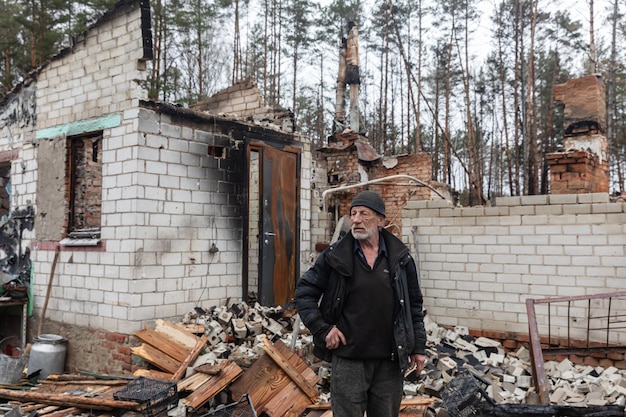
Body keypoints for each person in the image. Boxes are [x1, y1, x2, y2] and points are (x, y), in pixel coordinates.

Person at [295, 190, 427, 417]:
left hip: (390, 359)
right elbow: (304, 292)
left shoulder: (401, 259)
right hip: (349, 360)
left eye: (363, 214)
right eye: (353, 214)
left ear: (380, 220)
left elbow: (413, 305)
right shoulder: (335, 256)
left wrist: (418, 348)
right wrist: (322, 328)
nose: (355, 220)